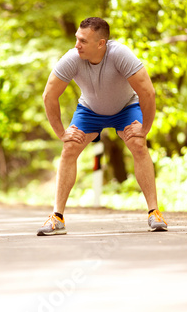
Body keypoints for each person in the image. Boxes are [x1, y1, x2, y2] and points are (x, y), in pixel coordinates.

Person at [38, 17, 167, 236]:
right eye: (77, 39)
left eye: (83, 41)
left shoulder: (119, 54)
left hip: (126, 107)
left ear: (101, 43)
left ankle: (154, 212)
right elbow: (49, 95)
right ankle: (57, 217)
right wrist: (62, 133)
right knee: (69, 148)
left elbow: (148, 92)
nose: (77, 44)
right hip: (90, 110)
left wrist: (144, 129)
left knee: (138, 144)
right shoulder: (73, 57)